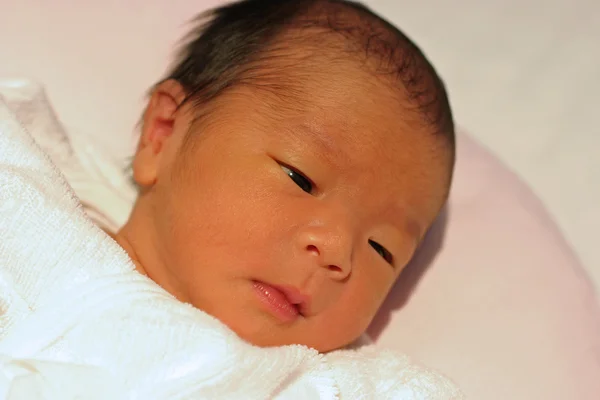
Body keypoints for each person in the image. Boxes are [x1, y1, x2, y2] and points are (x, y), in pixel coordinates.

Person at [107, 0, 455, 353]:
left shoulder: (341, 383)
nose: (337, 250)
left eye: (382, 249)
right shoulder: (54, 235)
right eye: (300, 178)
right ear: (164, 133)